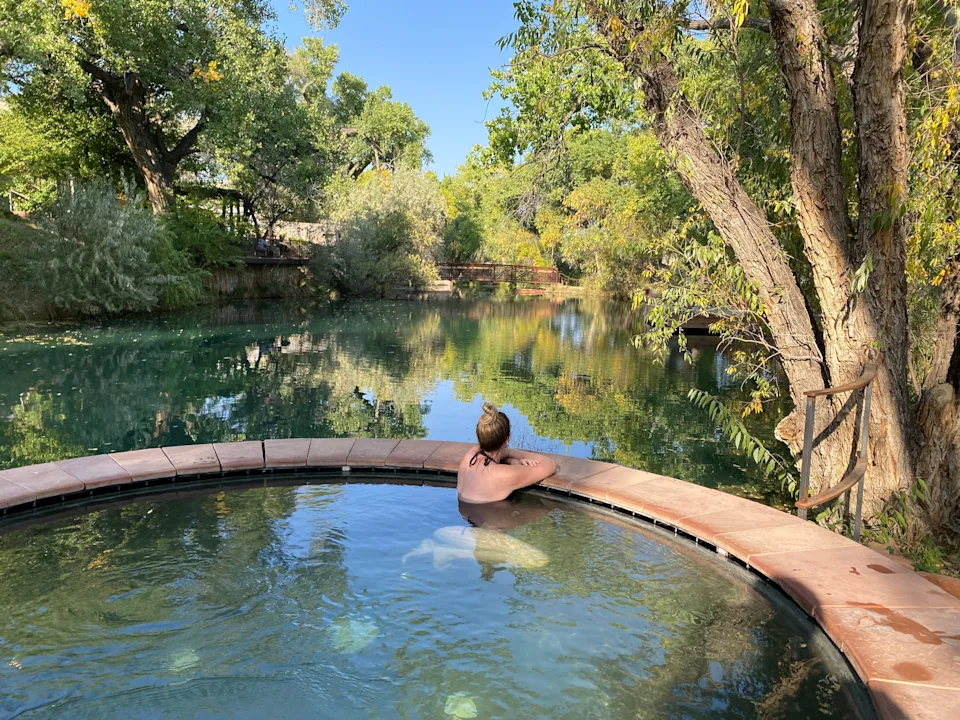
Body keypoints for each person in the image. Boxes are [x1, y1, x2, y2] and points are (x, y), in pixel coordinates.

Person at [457, 402, 557, 503]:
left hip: (466, 515)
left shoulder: (469, 456)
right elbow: (550, 465)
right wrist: (516, 455)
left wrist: (512, 461)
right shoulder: (504, 474)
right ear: (507, 439)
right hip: (488, 516)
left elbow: (493, 455)